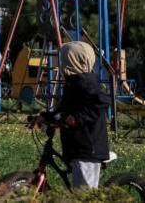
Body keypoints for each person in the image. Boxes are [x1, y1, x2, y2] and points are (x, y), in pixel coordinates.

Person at [39, 41, 110, 189]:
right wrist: (45, 117)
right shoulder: (72, 83)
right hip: (77, 146)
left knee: (83, 195)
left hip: (88, 148)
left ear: (74, 60)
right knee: (79, 191)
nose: (62, 63)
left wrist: (76, 118)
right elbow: (63, 111)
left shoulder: (86, 82)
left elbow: (101, 103)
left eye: (65, 59)